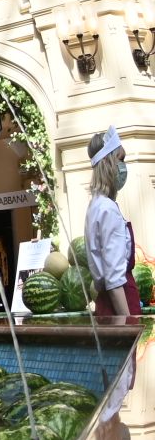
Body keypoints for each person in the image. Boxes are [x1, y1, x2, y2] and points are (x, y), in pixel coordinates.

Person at [85, 126, 141, 319]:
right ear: (109, 163)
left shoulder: (96, 206)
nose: (124, 166)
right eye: (121, 159)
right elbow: (114, 280)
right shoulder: (107, 209)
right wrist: (128, 325)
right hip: (120, 306)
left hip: (107, 306)